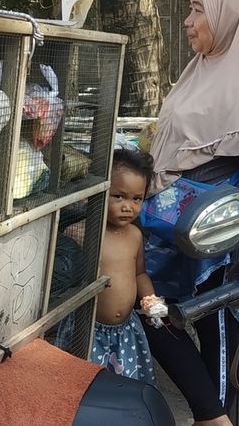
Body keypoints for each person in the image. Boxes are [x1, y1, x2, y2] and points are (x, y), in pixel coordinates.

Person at [142, 0, 239, 426]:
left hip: (214, 251)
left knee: (217, 331)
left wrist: (234, 271)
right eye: (190, 7)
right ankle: (212, 415)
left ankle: (213, 417)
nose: (187, 20)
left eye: (198, 9)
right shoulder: (201, 70)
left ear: (228, 16)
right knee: (151, 313)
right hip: (171, 234)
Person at [91, 148, 166, 385]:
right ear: (102, 190)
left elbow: (139, 273)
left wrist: (151, 300)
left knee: (127, 383)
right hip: (90, 332)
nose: (128, 207)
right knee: (91, 384)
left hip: (126, 331)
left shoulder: (134, 235)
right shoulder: (86, 233)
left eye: (137, 199)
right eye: (119, 196)